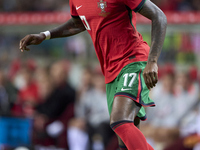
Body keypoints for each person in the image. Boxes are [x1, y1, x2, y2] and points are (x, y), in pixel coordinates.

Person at [19, 0, 167, 149]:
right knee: (125, 143)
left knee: (120, 121)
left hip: (133, 60)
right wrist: (45, 35)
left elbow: (159, 16)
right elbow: (78, 23)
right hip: (111, 73)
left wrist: (152, 61)